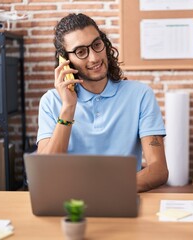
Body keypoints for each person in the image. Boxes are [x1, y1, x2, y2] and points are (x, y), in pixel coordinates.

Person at [36, 13, 168, 192]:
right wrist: (68, 107)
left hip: (121, 196)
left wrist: (107, 190)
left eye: (97, 45)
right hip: (70, 202)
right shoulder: (51, 101)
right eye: (81, 51)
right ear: (65, 60)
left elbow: (158, 170)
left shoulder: (140, 94)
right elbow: (46, 172)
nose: (94, 58)